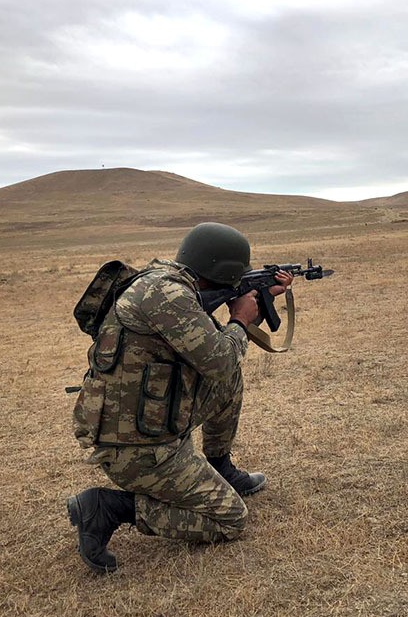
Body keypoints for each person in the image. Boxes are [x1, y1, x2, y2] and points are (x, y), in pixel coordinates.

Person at [66, 222, 293, 574]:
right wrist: (240, 319)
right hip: (136, 448)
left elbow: (211, 357)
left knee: (228, 380)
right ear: (220, 274)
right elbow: (218, 359)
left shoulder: (164, 281)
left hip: (147, 421)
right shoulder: (170, 297)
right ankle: (108, 508)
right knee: (231, 520)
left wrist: (257, 298)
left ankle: (220, 467)